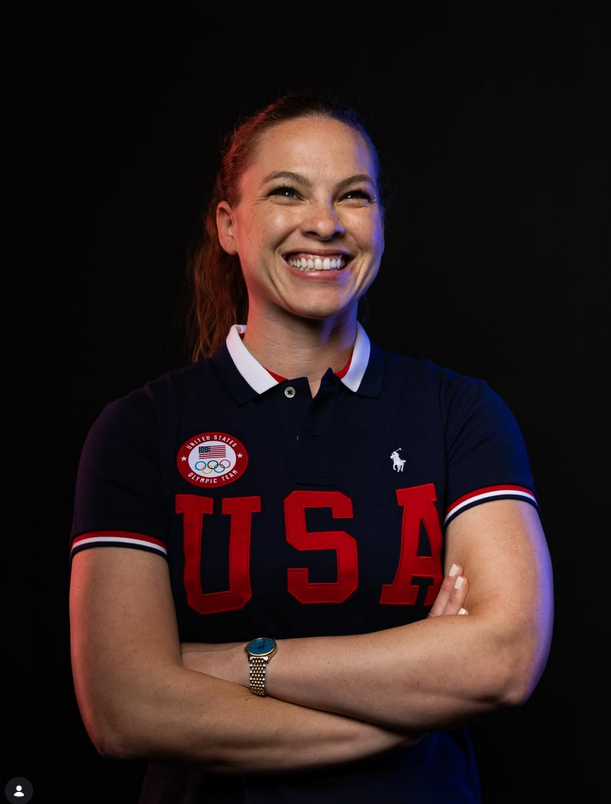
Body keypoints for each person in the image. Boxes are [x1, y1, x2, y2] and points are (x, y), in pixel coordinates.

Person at [69, 92, 554, 804]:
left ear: (379, 223)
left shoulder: (458, 413)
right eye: (287, 192)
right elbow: (122, 709)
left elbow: (504, 659)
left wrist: (237, 663)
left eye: (351, 197)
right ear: (229, 225)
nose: (323, 223)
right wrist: (405, 709)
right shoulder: (141, 429)